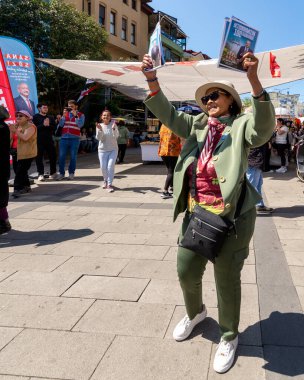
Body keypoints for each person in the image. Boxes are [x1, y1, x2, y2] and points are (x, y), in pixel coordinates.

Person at [141, 51, 274, 373]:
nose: (209, 101)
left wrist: (253, 80)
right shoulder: (197, 125)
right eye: (205, 98)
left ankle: (229, 334)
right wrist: (151, 78)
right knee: (186, 271)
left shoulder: (242, 125)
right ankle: (195, 312)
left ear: (230, 99)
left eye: (215, 95)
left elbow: (263, 127)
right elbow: (168, 114)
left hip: (233, 219)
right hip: (196, 213)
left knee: (226, 279)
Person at [10, 110, 37, 198]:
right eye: (17, 115)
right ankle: (26, 186)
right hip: (15, 152)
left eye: (20, 115)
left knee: (19, 172)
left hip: (26, 153)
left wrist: (16, 131)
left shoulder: (31, 126)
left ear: (27, 117)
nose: (18, 117)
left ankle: (17, 189)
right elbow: (11, 139)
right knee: (19, 170)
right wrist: (11, 131)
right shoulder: (16, 126)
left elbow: (25, 137)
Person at [57, 100, 85, 180]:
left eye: (71, 106)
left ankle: (71, 173)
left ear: (76, 106)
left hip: (75, 139)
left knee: (73, 157)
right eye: (68, 106)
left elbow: (80, 125)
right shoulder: (66, 114)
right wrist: (62, 116)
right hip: (64, 138)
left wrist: (76, 116)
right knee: (61, 156)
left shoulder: (81, 115)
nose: (70, 108)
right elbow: (61, 125)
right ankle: (61, 173)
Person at [33, 103, 58, 181]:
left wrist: (48, 125)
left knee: (53, 156)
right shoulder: (35, 117)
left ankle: (53, 172)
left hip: (49, 140)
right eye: (44, 107)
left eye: (46, 107)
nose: (46, 109)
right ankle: (40, 174)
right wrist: (43, 125)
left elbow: (54, 128)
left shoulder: (50, 117)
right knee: (39, 158)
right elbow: (34, 128)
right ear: (39, 109)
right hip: (39, 140)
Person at [96, 110, 119, 192]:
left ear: (110, 117)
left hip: (113, 149)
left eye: (108, 115)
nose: (106, 117)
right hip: (102, 150)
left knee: (110, 166)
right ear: (101, 117)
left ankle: (109, 184)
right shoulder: (99, 126)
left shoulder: (114, 125)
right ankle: (105, 180)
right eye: (104, 115)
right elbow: (99, 138)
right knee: (103, 167)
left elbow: (116, 136)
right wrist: (100, 130)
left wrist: (113, 129)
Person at [246, 146, 274, 214]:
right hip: (254, 159)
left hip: (256, 158)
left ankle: (259, 205)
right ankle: (247, 206)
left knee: (258, 184)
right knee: (252, 185)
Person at [158, 124, 181, 199]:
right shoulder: (175, 126)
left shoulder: (163, 126)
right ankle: (165, 191)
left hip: (163, 151)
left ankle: (172, 187)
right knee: (171, 171)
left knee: (170, 170)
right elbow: (180, 138)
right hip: (173, 152)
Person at [0, 106, 12, 234]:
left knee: (1, 197)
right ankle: (4, 221)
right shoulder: (3, 126)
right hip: (3, 168)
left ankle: (4, 223)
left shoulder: (1, 127)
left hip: (1, 168)